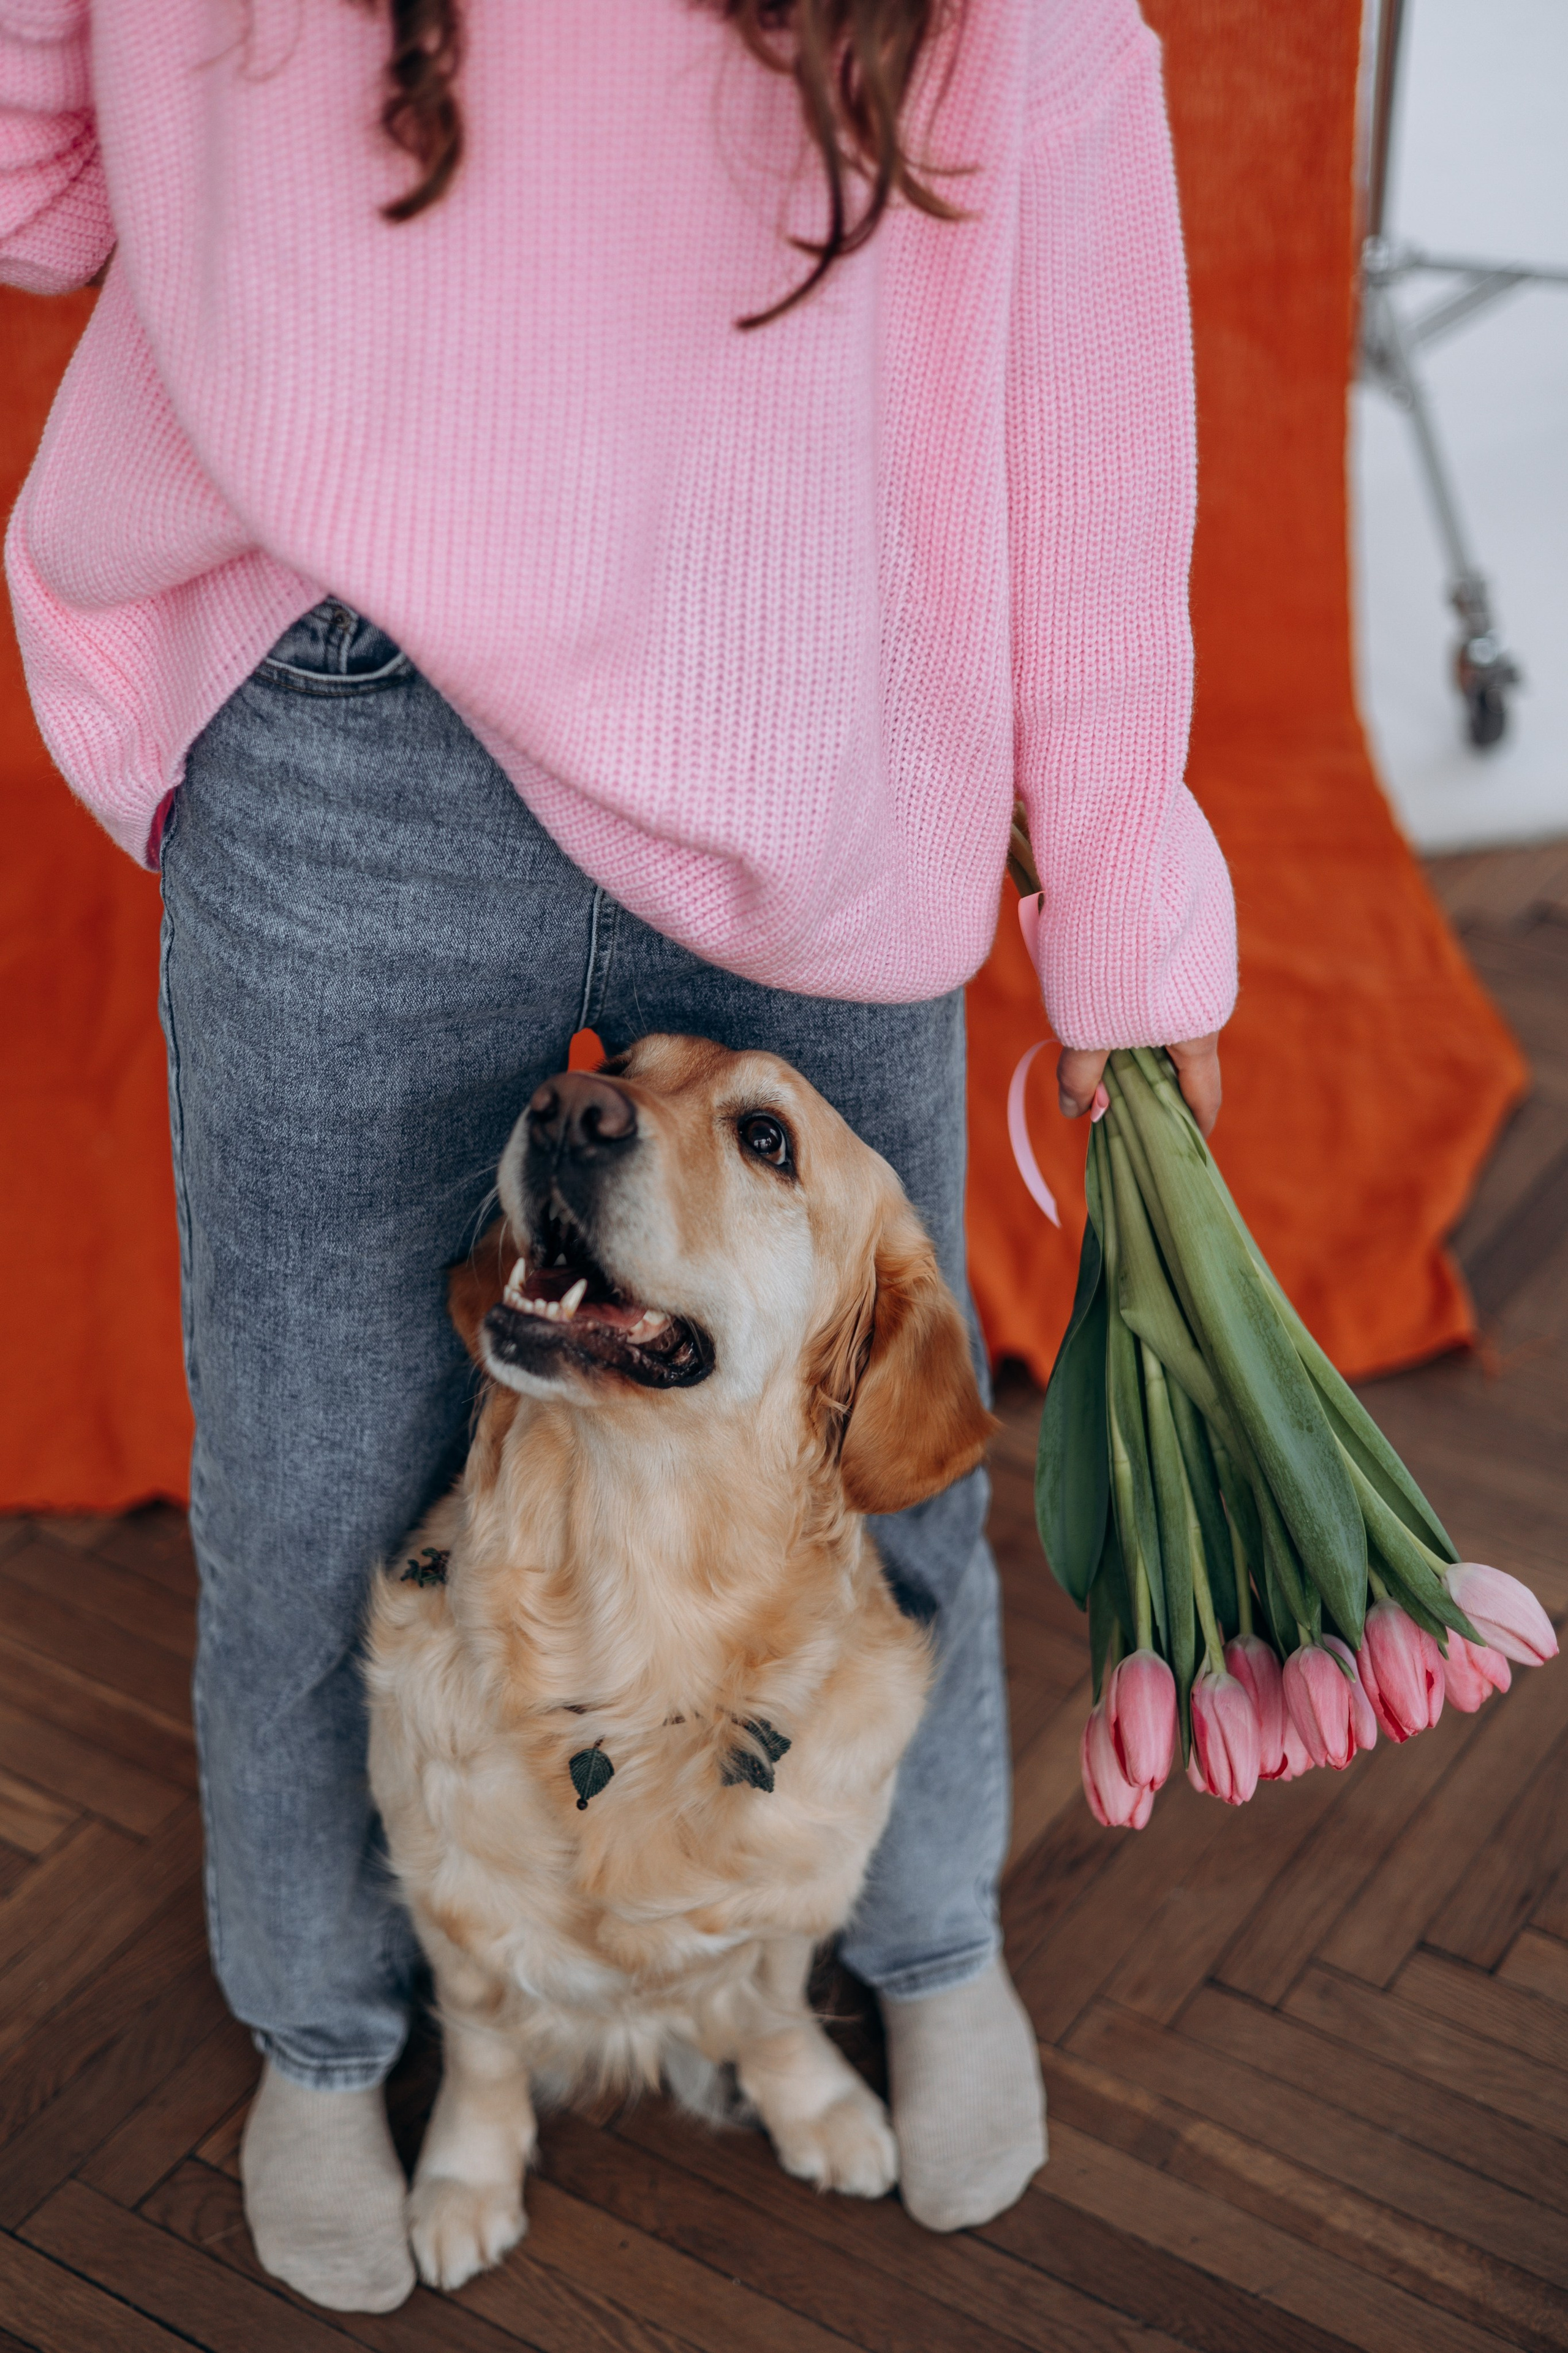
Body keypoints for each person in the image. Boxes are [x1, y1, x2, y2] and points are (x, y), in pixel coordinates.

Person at [1, 0, 1234, 2316]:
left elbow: (1075, 314)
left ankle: (930, 1935)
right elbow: (45, 183)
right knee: (313, 1479)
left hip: (825, 685)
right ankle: (322, 2028)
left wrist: (1122, 902)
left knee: (885, 1451)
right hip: (336, 689)